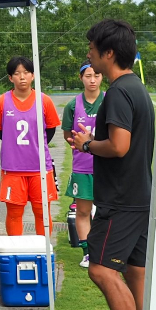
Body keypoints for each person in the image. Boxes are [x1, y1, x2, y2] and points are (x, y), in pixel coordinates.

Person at [66, 19, 156, 310]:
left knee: (101, 271)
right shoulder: (137, 87)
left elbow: (119, 146)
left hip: (121, 200)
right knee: (135, 273)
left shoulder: (118, 92)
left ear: (108, 53)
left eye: (91, 48)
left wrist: (87, 144)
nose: (88, 54)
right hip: (138, 197)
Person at [0, 55, 60, 237]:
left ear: (33, 76)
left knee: (42, 212)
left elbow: (49, 130)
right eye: (17, 73)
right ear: (10, 78)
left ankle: (42, 253)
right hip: (13, 169)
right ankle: (16, 251)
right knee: (14, 213)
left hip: (39, 168)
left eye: (26, 72)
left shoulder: (44, 101)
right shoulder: (2, 102)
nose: (22, 77)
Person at [62, 63, 104, 269]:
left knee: (108, 212)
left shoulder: (110, 101)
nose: (93, 79)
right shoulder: (72, 105)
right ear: (81, 78)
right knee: (83, 211)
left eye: (96, 75)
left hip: (106, 167)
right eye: (88, 75)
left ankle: (106, 251)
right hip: (83, 167)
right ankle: (88, 253)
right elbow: (67, 136)